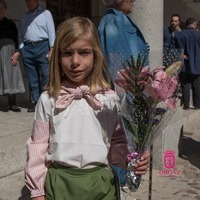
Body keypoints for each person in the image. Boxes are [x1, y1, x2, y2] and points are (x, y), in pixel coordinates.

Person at [25, 17, 150, 200]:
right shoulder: (48, 99)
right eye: (67, 53)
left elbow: (117, 142)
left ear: (96, 55)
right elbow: (38, 146)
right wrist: (37, 191)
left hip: (100, 182)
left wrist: (132, 159)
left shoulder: (110, 99)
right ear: (57, 57)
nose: (75, 61)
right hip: (59, 183)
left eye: (84, 52)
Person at [98, 0, 149, 186]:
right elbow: (117, 67)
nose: (134, 0)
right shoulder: (113, 21)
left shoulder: (120, 19)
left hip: (130, 95)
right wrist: (132, 97)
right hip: (125, 98)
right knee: (122, 141)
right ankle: (119, 184)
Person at [18, 0, 55, 112]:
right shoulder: (23, 17)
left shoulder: (45, 13)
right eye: (27, 1)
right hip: (28, 48)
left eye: (31, 0)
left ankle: (47, 102)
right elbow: (20, 34)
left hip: (42, 46)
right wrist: (22, 49)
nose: (29, 2)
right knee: (32, 78)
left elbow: (51, 31)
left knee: (46, 74)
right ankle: (37, 102)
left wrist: (52, 48)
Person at [98, 0, 149, 74]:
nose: (133, 0)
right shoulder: (113, 20)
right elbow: (115, 65)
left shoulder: (117, 19)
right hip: (128, 83)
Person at [0, 0, 25, 112]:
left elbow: (18, 39)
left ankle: (12, 104)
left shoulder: (11, 24)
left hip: (11, 54)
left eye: (2, 8)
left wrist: (17, 52)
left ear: (5, 10)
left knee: (13, 76)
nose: (0, 10)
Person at [175, 17, 200, 110]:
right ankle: (197, 105)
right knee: (197, 85)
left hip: (183, 64)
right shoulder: (198, 35)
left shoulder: (179, 35)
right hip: (197, 64)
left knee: (185, 84)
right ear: (194, 24)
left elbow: (175, 50)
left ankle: (186, 105)